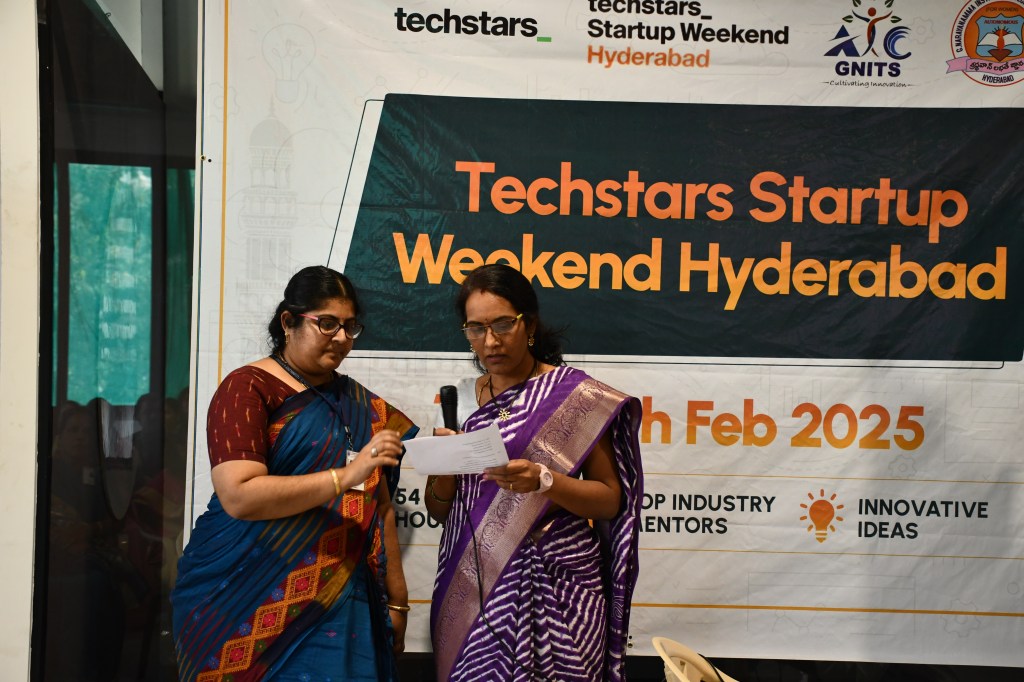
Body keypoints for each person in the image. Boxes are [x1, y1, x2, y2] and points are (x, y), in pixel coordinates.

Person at [171, 266, 418, 682]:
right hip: (237, 597)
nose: (341, 338)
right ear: (289, 322)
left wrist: (397, 600)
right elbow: (239, 495)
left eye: (350, 327)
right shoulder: (246, 388)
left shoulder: (361, 405)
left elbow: (381, 507)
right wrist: (345, 476)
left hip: (338, 597)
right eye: (327, 324)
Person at [424, 263, 643, 681]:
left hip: (560, 582)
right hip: (475, 583)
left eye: (503, 324)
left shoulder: (573, 396)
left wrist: (545, 481)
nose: (490, 341)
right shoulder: (461, 403)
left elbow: (610, 500)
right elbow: (438, 511)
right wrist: (447, 463)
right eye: (476, 329)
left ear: (529, 324)